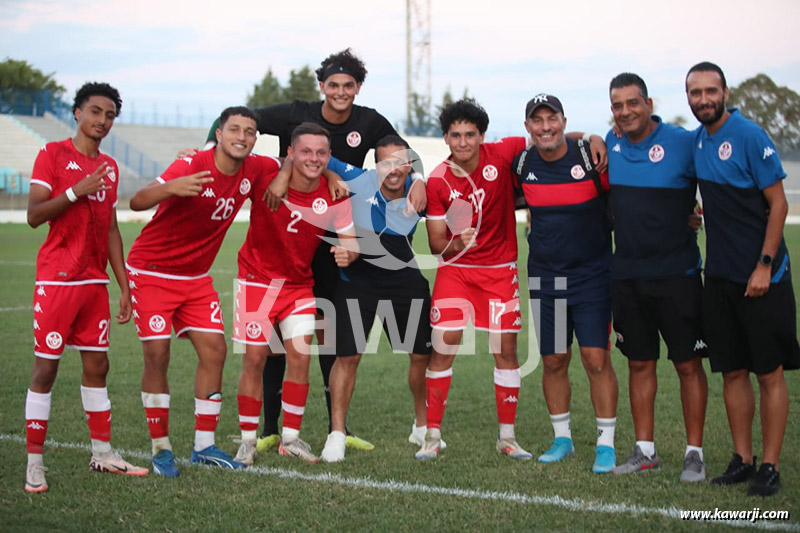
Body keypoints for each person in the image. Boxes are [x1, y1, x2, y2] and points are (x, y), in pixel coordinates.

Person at [205, 49, 415, 453]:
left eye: (348, 85)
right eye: (333, 84)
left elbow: (399, 155)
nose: (340, 92)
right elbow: (236, 121)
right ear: (322, 87)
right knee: (271, 347)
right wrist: (211, 154)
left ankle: (336, 426)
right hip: (278, 245)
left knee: (327, 337)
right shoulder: (294, 115)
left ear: (357, 88)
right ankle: (267, 429)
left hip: (333, 241)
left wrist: (417, 179)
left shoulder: (369, 121)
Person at [126, 106, 280, 476]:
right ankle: (161, 447)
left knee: (215, 350)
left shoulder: (255, 167)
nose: (242, 137)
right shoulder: (191, 165)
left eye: (249, 131)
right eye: (235, 130)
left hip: (195, 278)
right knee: (158, 354)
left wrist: (283, 175)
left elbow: (290, 162)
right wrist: (170, 187)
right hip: (151, 271)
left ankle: (204, 446)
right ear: (220, 134)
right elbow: (137, 201)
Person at [24, 82, 148, 493]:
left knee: (99, 366)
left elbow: (111, 228)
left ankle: (102, 453)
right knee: (46, 369)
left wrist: (124, 285)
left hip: (94, 282)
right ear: (77, 113)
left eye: (110, 115)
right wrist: (76, 191)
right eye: (96, 111)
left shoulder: (110, 168)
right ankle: (34, 463)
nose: (103, 121)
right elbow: (35, 215)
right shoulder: (52, 154)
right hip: (59, 279)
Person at [686, 61, 800, 496]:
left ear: (725, 92)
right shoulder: (696, 142)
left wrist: (765, 264)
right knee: (732, 372)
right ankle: (743, 459)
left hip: (764, 277)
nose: (703, 100)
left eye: (710, 91)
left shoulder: (750, 135)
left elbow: (779, 205)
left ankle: (769, 466)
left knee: (768, 373)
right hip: (719, 278)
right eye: (695, 94)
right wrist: (695, 214)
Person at [232, 122, 357, 465]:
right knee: (254, 360)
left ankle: (291, 438)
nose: (313, 159)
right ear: (290, 152)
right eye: (305, 151)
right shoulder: (265, 176)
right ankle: (247, 440)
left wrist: (349, 252)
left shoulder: (334, 193)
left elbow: (351, 243)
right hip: (257, 281)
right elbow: (230, 163)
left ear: (329, 157)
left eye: (321, 153)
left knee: (300, 359)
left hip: (299, 286)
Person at [605, 73, 709, 481]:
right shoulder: (608, 144)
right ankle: (645, 451)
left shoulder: (683, 142)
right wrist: (596, 138)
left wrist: (696, 212)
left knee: (688, 365)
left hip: (678, 276)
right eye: (618, 105)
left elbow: (713, 186)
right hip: (628, 277)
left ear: (649, 103)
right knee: (639, 364)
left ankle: (694, 453)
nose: (626, 111)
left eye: (633, 103)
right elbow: (577, 140)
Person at [416, 98, 531, 461]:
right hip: (457, 273)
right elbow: (436, 246)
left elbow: (548, 140)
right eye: (455, 135)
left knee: (506, 352)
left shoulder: (504, 152)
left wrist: (589, 139)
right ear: (445, 138)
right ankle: (432, 437)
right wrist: (456, 242)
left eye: (470, 134)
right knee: (443, 348)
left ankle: (507, 438)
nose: (463, 142)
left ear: (482, 135)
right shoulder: (437, 180)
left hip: (499, 271)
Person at [513, 94, 618, 474]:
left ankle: (605, 443)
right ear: (528, 128)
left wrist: (591, 135)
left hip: (592, 276)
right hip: (547, 277)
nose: (545, 126)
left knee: (596, 358)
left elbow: (624, 197)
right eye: (537, 120)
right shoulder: (523, 165)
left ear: (563, 120)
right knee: (555, 360)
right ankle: (563, 439)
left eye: (551, 118)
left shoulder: (590, 157)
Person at [318, 135, 435, 462]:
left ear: (410, 164)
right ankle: (337, 434)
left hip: (404, 281)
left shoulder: (419, 190)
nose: (393, 170)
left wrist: (422, 179)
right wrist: (330, 177)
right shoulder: (360, 179)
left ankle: (421, 425)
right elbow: (316, 157)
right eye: (386, 163)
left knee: (420, 356)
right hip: (359, 282)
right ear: (375, 165)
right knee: (348, 357)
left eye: (400, 162)